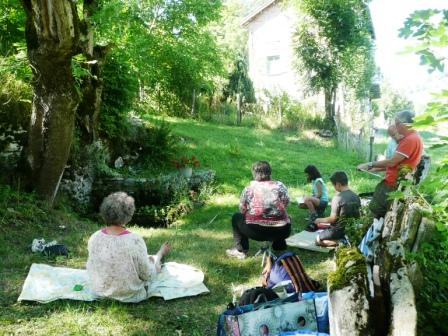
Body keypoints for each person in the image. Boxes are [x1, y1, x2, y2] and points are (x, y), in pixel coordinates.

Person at [86, 192, 170, 302]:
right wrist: (158, 258)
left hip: (99, 294)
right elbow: (147, 275)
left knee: (148, 261)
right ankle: (160, 253)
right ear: (128, 214)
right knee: (154, 265)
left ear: (104, 212)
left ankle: (158, 255)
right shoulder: (135, 240)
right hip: (130, 296)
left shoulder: (94, 237)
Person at [357, 110, 423, 218]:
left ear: (403, 124)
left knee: (375, 212)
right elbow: (398, 164)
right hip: (395, 183)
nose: (396, 127)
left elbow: (392, 162)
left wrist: (369, 164)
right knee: (384, 215)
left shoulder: (410, 140)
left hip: (392, 185)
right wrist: (374, 169)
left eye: (397, 123)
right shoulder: (412, 137)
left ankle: (371, 232)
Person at [226, 161, 291, 259]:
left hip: (255, 231)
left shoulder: (249, 189)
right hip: (281, 231)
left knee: (236, 217)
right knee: (284, 217)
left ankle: (241, 250)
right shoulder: (280, 186)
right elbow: (286, 203)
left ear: (254, 173)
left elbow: (242, 209)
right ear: (270, 172)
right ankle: (279, 248)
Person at [314, 171, 361, 247]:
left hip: (338, 231)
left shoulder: (337, 198)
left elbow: (333, 219)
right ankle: (346, 239)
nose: (334, 188)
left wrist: (319, 220)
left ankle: (340, 242)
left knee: (317, 239)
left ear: (338, 184)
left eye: (334, 185)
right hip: (352, 229)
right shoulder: (356, 196)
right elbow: (358, 215)